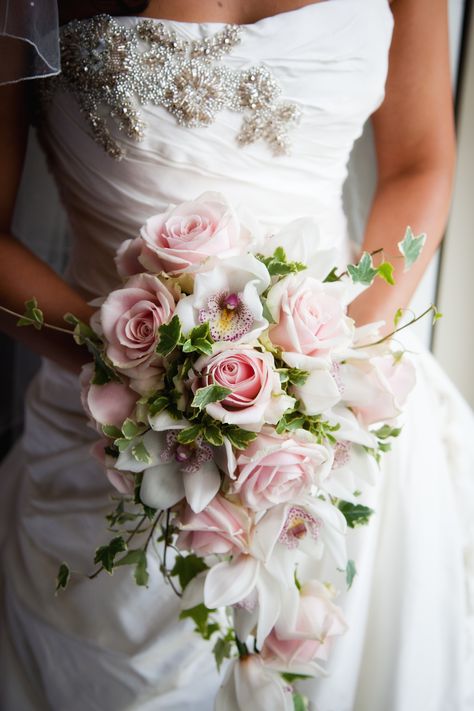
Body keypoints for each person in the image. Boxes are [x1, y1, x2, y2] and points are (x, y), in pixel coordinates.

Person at [0, 0, 473, 709]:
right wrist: (144, 375)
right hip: (104, 436)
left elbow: (419, 161)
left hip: (342, 410)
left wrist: (330, 362)